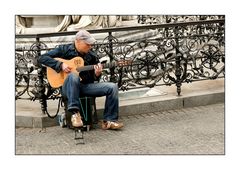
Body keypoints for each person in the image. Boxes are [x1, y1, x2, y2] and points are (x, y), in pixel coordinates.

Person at [38, 29, 123, 130]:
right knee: (73, 76)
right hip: (68, 88)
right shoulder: (64, 50)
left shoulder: (91, 55)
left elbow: (94, 78)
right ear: (77, 41)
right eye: (88, 44)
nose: (90, 46)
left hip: (85, 87)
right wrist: (60, 65)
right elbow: (41, 58)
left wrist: (97, 74)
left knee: (112, 87)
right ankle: (75, 114)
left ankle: (109, 120)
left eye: (91, 44)